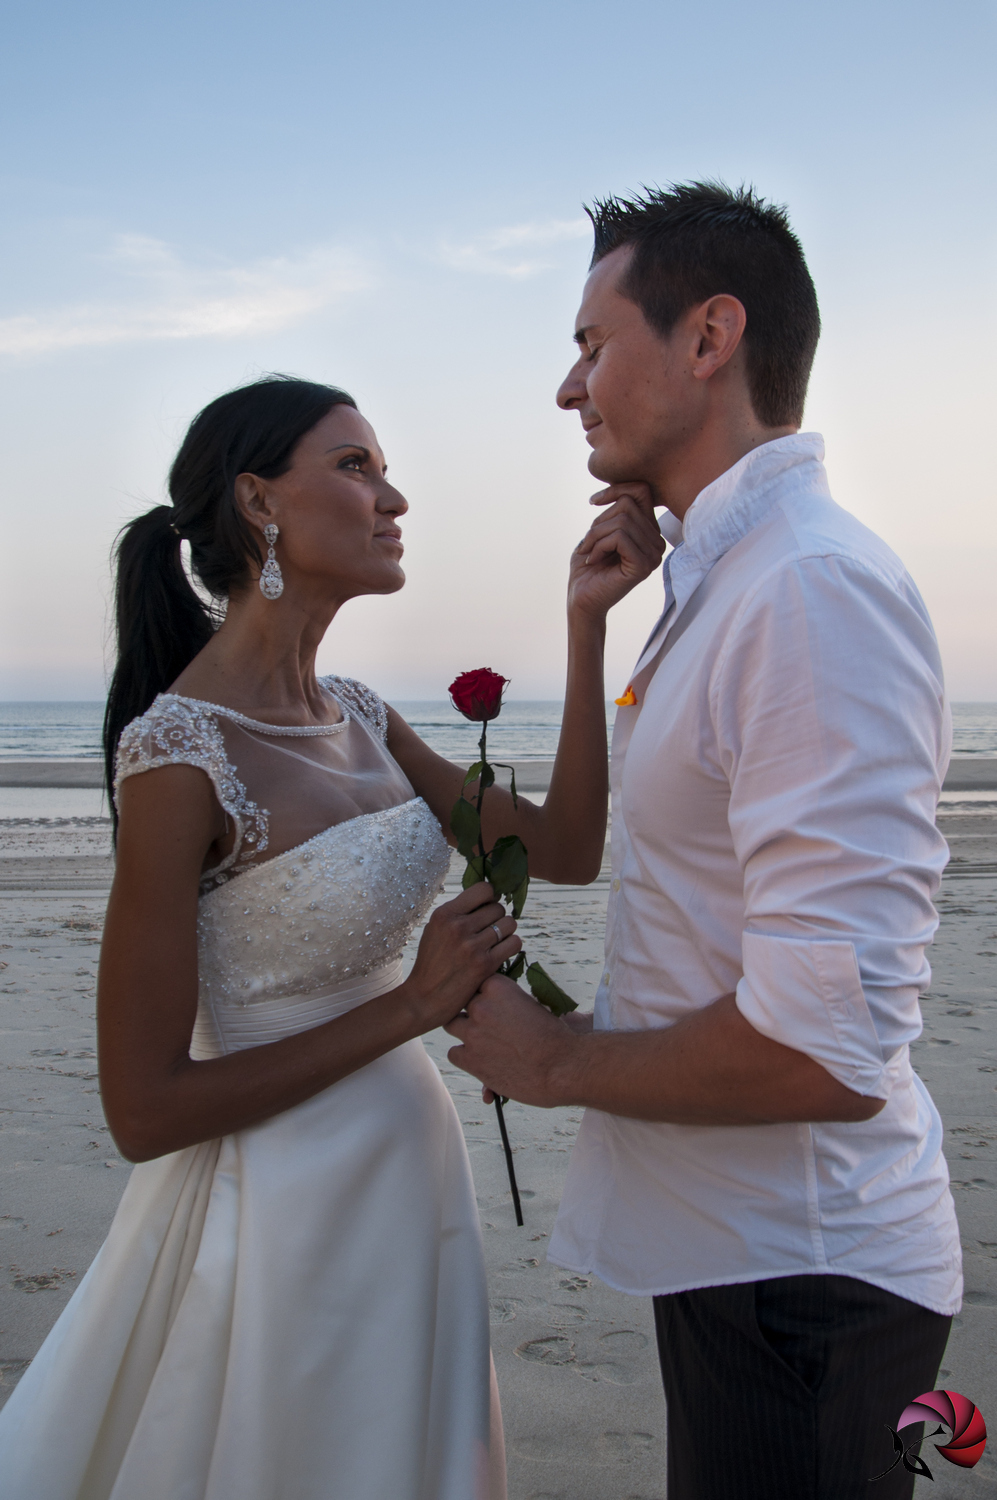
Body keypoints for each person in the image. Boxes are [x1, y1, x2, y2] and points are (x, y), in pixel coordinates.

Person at [0, 374, 663, 1500]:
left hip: (408, 1182)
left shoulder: (361, 713)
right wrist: (413, 1003)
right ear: (260, 503)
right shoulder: (176, 759)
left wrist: (585, 624)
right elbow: (141, 1110)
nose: (392, 497)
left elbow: (563, 847)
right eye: (355, 467)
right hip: (280, 1215)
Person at [445, 184, 962, 1500]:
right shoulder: (727, 583)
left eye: (591, 342)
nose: (569, 388)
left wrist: (554, 1058)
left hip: (804, 1279)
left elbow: (826, 1046)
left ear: (709, 336)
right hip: (743, 1257)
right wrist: (591, 626)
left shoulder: (805, 592)